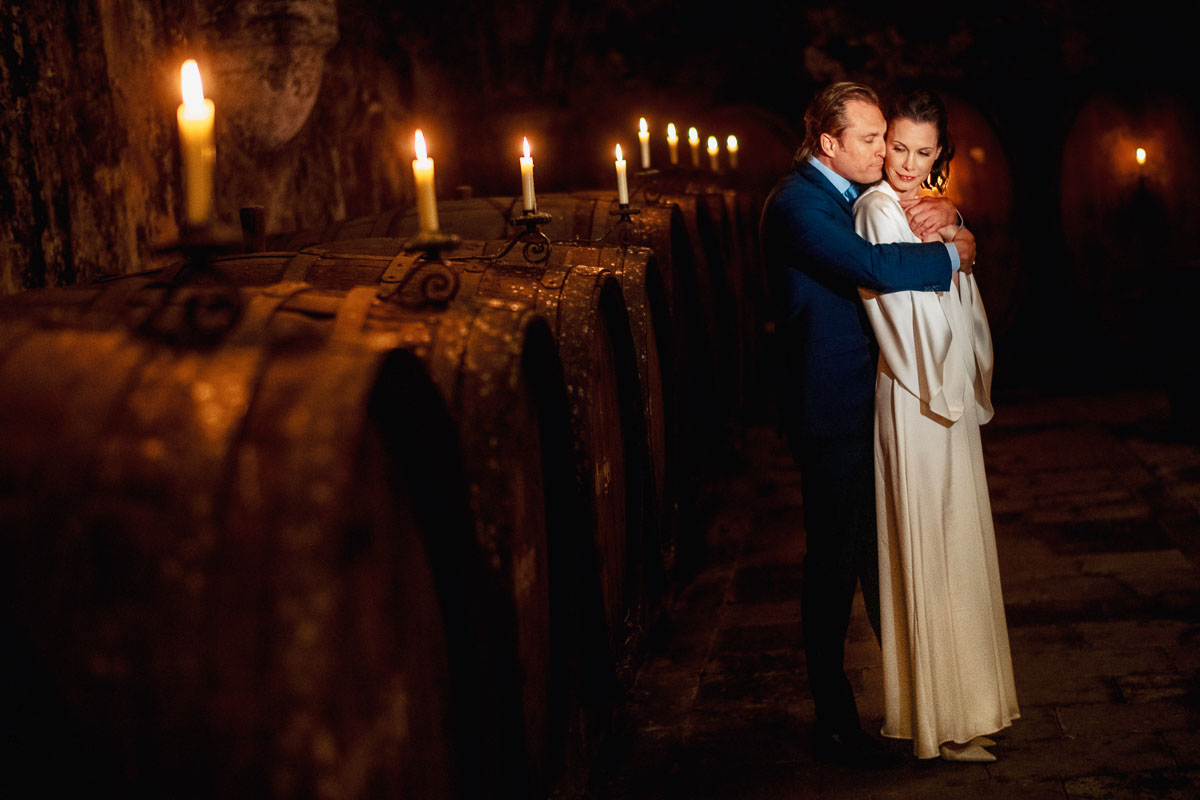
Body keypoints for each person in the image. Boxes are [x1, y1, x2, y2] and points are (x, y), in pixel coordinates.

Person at [759, 82, 975, 768]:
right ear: (829, 143)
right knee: (833, 563)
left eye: (888, 137)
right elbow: (874, 265)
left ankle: (924, 707)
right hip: (831, 409)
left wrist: (954, 217)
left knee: (881, 557)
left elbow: (905, 209)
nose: (886, 152)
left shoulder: (847, 193)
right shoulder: (798, 204)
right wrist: (955, 254)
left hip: (867, 402)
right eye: (873, 139)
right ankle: (834, 719)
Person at [853, 89, 1019, 763]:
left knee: (958, 541)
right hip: (915, 388)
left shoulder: (930, 204)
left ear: (939, 154)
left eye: (923, 153)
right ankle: (938, 722)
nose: (907, 164)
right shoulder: (874, 209)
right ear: (883, 143)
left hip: (945, 384)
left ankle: (969, 707)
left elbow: (959, 292)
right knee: (927, 540)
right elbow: (898, 312)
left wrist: (955, 233)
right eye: (898, 148)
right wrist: (952, 255)